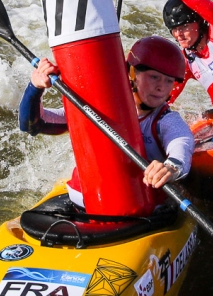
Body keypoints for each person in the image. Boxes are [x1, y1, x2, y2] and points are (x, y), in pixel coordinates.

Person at [19, 36, 194, 210]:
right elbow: (33, 125)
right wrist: (35, 88)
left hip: (140, 208)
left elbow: (182, 142)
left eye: (169, 81)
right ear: (132, 74)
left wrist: (171, 168)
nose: (161, 87)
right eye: (154, 77)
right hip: (84, 200)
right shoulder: (99, 109)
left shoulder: (167, 120)